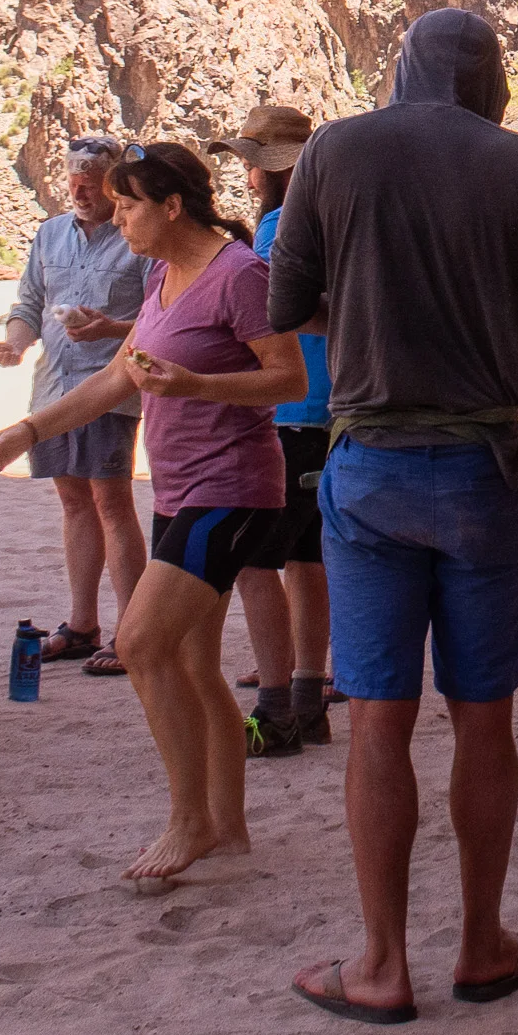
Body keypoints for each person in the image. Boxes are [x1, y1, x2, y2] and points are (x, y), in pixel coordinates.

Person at [267, 7, 518, 1024]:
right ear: (492, 78)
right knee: (483, 715)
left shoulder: (334, 151)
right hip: (485, 469)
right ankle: (484, 942)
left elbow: (287, 305)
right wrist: (491, 324)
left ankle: (380, 962)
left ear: (401, 69)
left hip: (368, 467)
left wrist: (365, 316)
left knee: (377, 721)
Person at [0, 143, 304, 884]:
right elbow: (122, 374)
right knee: (193, 663)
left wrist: (195, 386)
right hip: (180, 490)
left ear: (172, 206)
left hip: (235, 491)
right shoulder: (163, 272)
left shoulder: (240, 275)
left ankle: (189, 818)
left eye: (128, 204)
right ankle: (227, 826)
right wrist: (29, 429)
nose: (117, 216)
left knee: (141, 644)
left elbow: (287, 376)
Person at [0, 134, 151, 675]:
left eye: (91, 183)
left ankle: (131, 634)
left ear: (112, 184)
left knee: (111, 504)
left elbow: (161, 317)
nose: (79, 191)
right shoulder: (50, 234)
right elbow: (28, 303)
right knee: (74, 504)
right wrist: (16, 341)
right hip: (53, 389)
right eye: (72, 181)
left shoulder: (137, 237)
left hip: (108, 390)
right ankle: (84, 625)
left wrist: (111, 329)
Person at [209, 104, 333, 756]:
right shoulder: (330, 219)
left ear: (266, 167)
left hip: (288, 417)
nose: (247, 174)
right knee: (307, 559)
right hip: (331, 414)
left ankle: (275, 709)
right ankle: (310, 700)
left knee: (256, 561)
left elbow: (260, 319)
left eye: (249, 162)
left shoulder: (277, 232)